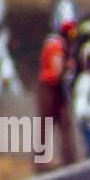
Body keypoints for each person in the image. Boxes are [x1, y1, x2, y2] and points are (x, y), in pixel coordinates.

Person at [37, 22, 76, 169]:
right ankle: (42, 161)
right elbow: (57, 71)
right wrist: (68, 66)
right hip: (49, 87)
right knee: (46, 123)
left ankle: (69, 159)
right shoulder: (56, 46)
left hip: (56, 87)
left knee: (65, 123)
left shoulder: (60, 45)